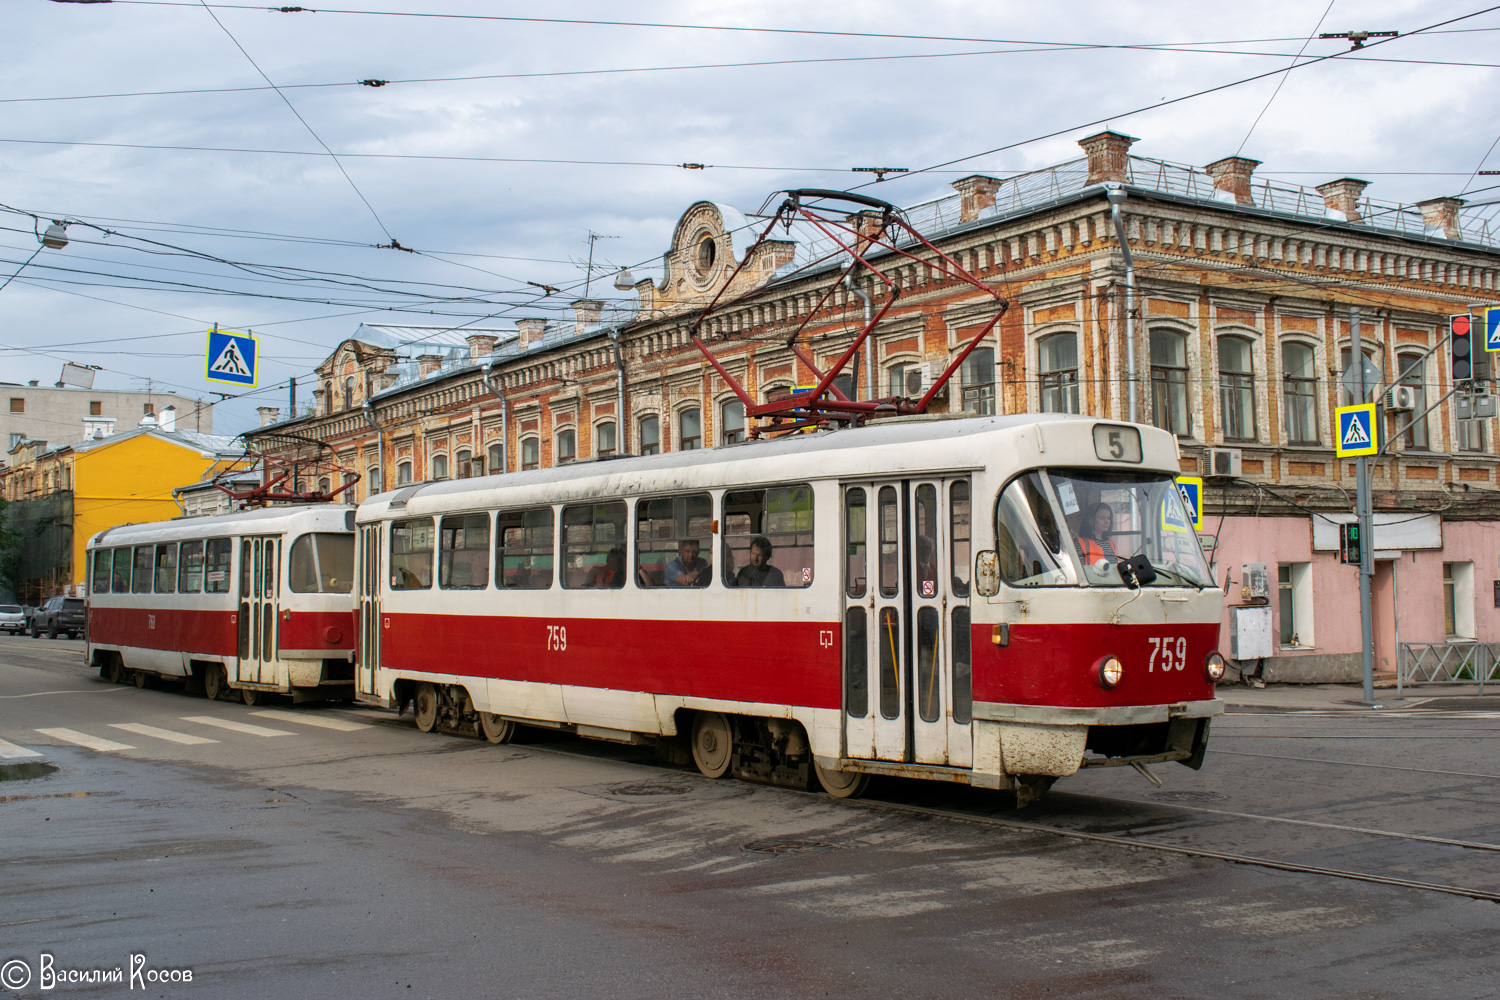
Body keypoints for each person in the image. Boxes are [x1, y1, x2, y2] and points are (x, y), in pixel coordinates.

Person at [1076, 502, 1117, 567]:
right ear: (1091, 520)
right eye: (1102, 518)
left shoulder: (1111, 544)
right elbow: (1079, 569)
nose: (1106, 522)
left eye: (1108, 518)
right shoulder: (1080, 543)